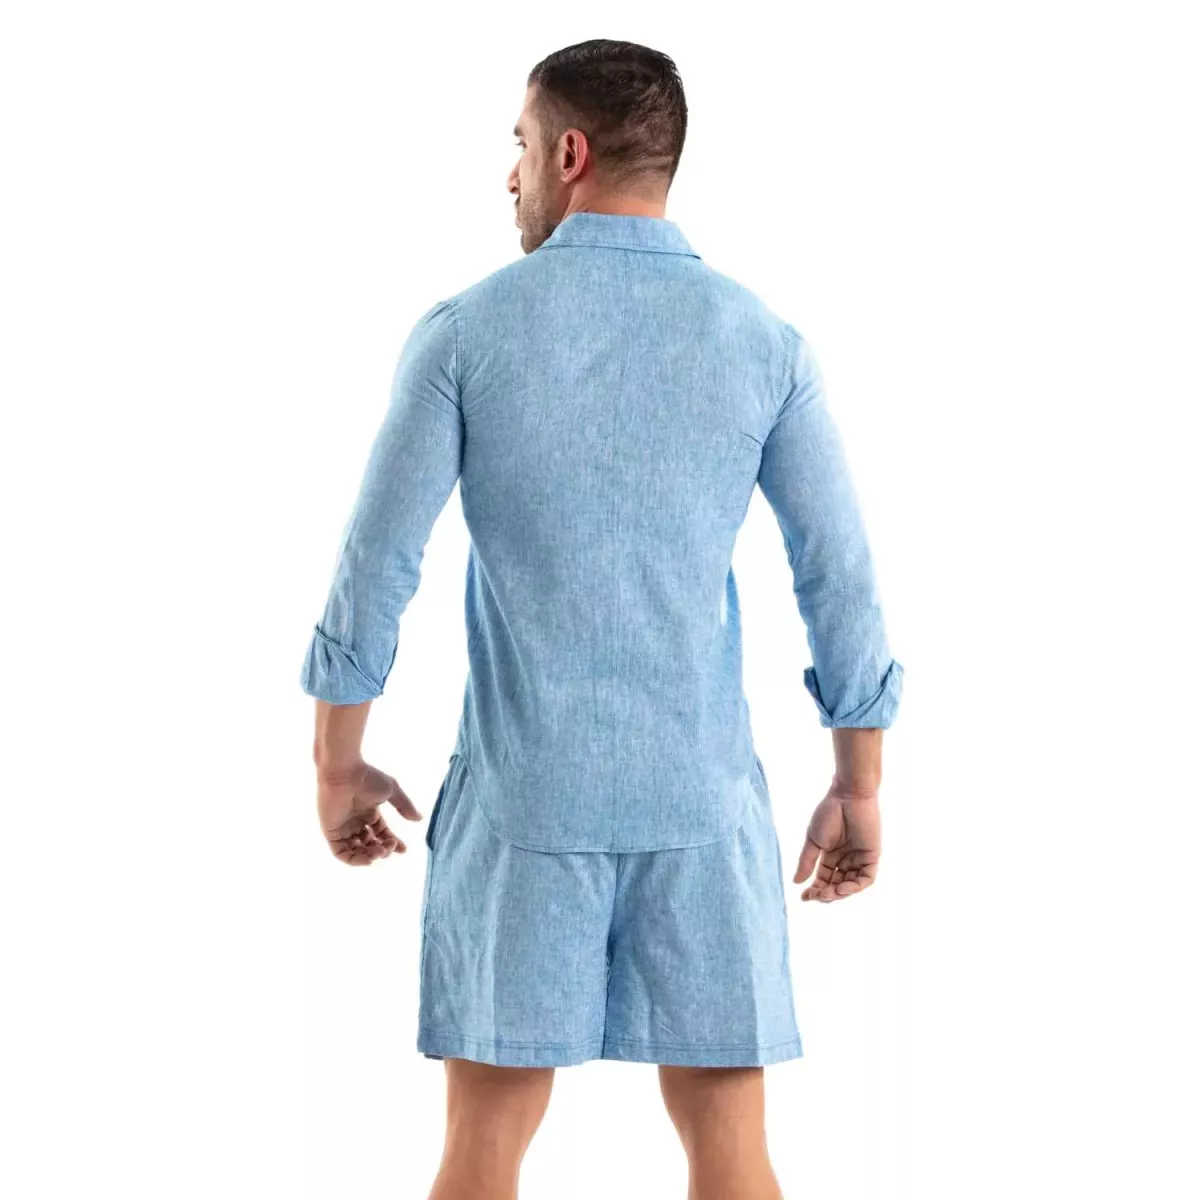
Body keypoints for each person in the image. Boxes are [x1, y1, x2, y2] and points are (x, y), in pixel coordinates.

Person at [299, 37, 903, 1200]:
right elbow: (839, 575)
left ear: (568, 154)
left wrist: (337, 762)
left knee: (482, 1143)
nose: (510, 175)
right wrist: (859, 781)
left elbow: (376, 564)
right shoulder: (764, 344)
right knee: (732, 1143)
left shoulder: (466, 334)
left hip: (524, 805)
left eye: (519, 147)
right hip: (701, 805)